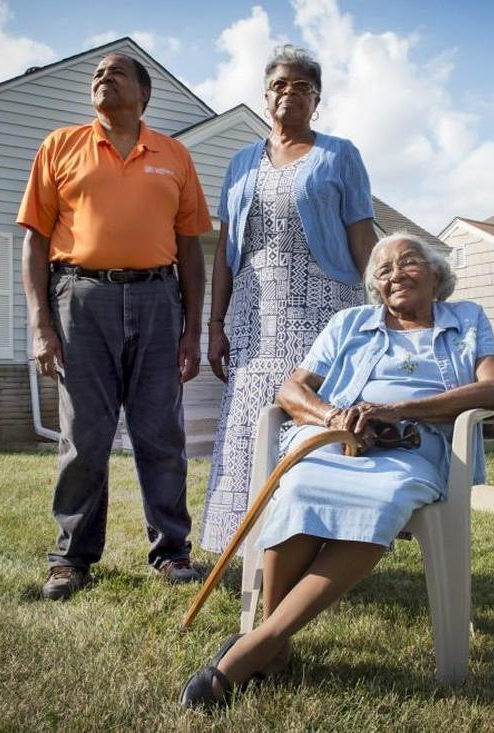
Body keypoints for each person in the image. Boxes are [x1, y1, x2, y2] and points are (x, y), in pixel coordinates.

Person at [180, 233, 494, 706]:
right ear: (375, 287)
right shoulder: (350, 323)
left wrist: (399, 411)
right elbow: (291, 392)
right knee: (298, 487)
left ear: (436, 273)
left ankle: (259, 642)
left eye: (409, 262)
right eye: (383, 270)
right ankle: (274, 647)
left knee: (381, 497)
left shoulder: (467, 318)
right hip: (337, 442)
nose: (395, 274)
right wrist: (336, 418)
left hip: (414, 451)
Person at [18, 52, 212, 600]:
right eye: (98, 74)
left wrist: (190, 328)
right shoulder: (60, 146)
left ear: (143, 94)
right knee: (84, 437)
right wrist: (40, 324)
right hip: (80, 300)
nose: (104, 78)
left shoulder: (174, 155)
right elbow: (34, 238)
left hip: (157, 300)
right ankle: (71, 558)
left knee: (162, 434)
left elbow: (190, 247)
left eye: (117, 72)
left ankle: (172, 552)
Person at [201, 45, 378, 553]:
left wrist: (379, 314)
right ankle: (249, 544)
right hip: (255, 320)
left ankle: (313, 544)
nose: (290, 94)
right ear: (265, 95)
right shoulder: (238, 164)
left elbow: (362, 238)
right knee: (249, 429)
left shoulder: (339, 155)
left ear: (316, 100)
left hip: (324, 311)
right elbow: (224, 255)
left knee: (313, 423)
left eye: (303, 87)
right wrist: (218, 324)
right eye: (281, 84)